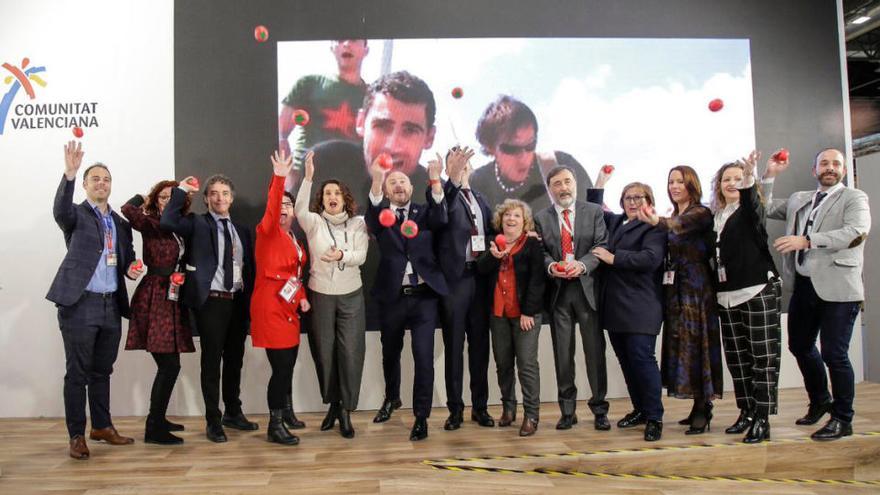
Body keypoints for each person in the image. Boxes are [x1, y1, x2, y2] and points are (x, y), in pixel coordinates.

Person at [763, 148, 871, 441]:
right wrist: (770, 175)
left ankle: (843, 418)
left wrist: (808, 241)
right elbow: (765, 206)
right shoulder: (801, 198)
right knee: (799, 345)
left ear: (843, 171)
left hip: (839, 287)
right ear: (815, 170)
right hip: (805, 285)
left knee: (834, 354)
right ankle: (821, 400)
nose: (830, 167)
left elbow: (856, 232)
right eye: (824, 163)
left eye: (836, 163)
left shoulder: (854, 198)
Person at [47, 141, 143, 460]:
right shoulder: (75, 215)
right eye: (95, 179)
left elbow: (126, 260)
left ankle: (101, 426)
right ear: (87, 185)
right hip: (80, 303)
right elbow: (60, 210)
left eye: (106, 179)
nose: (102, 183)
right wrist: (69, 174)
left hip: (109, 305)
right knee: (78, 372)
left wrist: (132, 268)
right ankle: (76, 434)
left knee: (103, 370)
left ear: (111, 186)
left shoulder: (120, 224)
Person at [160, 173, 257, 443]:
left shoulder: (242, 231)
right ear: (206, 199)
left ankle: (233, 412)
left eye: (225, 193)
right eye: (214, 193)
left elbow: (249, 268)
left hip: (237, 301)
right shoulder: (197, 223)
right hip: (211, 301)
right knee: (212, 362)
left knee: (235, 360)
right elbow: (168, 221)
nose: (220, 198)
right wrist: (180, 191)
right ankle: (213, 420)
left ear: (232, 199)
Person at [365, 156, 448, 441]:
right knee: (390, 353)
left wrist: (435, 178)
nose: (398, 185)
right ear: (387, 191)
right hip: (392, 298)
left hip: (425, 298)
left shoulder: (426, 213)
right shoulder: (380, 217)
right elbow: (373, 210)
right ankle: (392, 398)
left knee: (424, 357)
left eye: (403, 181)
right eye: (393, 182)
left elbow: (441, 215)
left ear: (411, 188)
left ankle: (421, 416)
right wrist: (377, 177)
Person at [637, 165, 723, 435]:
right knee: (682, 345)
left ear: (691, 185)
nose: (674, 186)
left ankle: (702, 406)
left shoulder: (700, 212)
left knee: (698, 345)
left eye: (680, 182)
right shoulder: (675, 213)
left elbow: (676, 227)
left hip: (696, 288)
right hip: (675, 289)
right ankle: (697, 404)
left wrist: (655, 222)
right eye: (671, 181)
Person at [587, 168, 666, 441]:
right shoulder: (616, 222)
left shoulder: (654, 226)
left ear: (649, 201)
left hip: (641, 306)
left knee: (643, 360)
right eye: (628, 197)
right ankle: (640, 410)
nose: (633, 202)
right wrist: (599, 183)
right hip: (615, 307)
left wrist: (613, 258)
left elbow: (650, 259)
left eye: (639, 197)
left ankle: (655, 416)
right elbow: (595, 210)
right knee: (627, 362)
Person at [295, 149, 369, 439]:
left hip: (351, 294)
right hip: (321, 294)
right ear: (322, 199)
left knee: (350, 353)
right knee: (325, 353)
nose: (332, 197)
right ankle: (334, 404)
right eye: (327, 193)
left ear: (345, 197)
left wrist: (342, 254)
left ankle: (347, 412)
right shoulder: (313, 222)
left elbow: (361, 255)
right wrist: (308, 177)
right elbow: (300, 209)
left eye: (337, 192)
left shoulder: (358, 222)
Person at [710, 153, 782, 444]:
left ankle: (763, 419)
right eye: (726, 179)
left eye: (737, 179)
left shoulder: (752, 209)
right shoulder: (716, 216)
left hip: (756, 291)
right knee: (737, 359)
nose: (731, 183)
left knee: (762, 359)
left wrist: (752, 177)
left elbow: (753, 203)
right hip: (726, 296)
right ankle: (747, 412)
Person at [534, 165, 610, 431]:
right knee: (563, 356)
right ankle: (568, 411)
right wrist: (551, 266)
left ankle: (600, 409)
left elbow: (601, 245)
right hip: (559, 295)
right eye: (557, 183)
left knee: (594, 355)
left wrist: (583, 264)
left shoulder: (594, 212)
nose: (563, 187)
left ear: (575, 183)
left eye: (567, 181)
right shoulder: (541, 218)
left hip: (587, 291)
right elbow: (540, 251)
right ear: (550, 188)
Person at [121, 180, 195, 445]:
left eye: (170, 197)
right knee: (169, 366)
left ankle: (158, 419)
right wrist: (143, 195)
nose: (166, 201)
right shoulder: (150, 223)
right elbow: (127, 209)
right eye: (162, 197)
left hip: (172, 296)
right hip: (154, 296)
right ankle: (154, 427)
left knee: (171, 365)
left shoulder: (179, 227)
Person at [251, 150, 313, 445]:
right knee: (282, 367)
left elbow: (295, 276)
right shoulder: (268, 231)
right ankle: (275, 424)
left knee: (288, 362)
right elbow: (274, 206)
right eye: (282, 205)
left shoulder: (295, 240)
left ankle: (286, 412)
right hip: (270, 308)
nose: (286, 208)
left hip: (289, 309)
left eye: (291, 204)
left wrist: (301, 296)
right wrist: (279, 177)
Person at [434, 146, 495, 430]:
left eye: (465, 161)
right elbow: (440, 212)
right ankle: (455, 409)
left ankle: (480, 407)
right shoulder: (442, 196)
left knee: (480, 348)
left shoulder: (481, 199)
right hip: (455, 283)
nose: (462, 164)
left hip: (480, 281)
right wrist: (452, 178)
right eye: (455, 162)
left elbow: (493, 235)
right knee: (454, 348)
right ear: (449, 169)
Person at [476, 199, 546, 436]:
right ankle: (508, 408)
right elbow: (480, 270)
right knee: (503, 364)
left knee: (526, 365)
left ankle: (532, 415)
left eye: (516, 216)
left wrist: (528, 311)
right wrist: (492, 257)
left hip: (525, 315)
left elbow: (538, 281)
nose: (511, 219)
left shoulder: (533, 244)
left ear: (524, 221)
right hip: (499, 314)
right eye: (507, 216)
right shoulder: (494, 242)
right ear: (501, 220)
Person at [470, 95, 592, 214]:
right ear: (490, 147)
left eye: (530, 145)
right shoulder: (476, 185)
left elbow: (600, 223)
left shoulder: (560, 167)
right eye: (512, 149)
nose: (523, 157)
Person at [279, 39, 370, 190]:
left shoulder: (373, 98)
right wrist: (290, 175)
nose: (346, 44)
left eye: (354, 39)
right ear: (332, 47)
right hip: (306, 184)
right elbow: (279, 133)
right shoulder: (309, 84)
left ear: (366, 49)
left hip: (350, 189)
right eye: (340, 39)